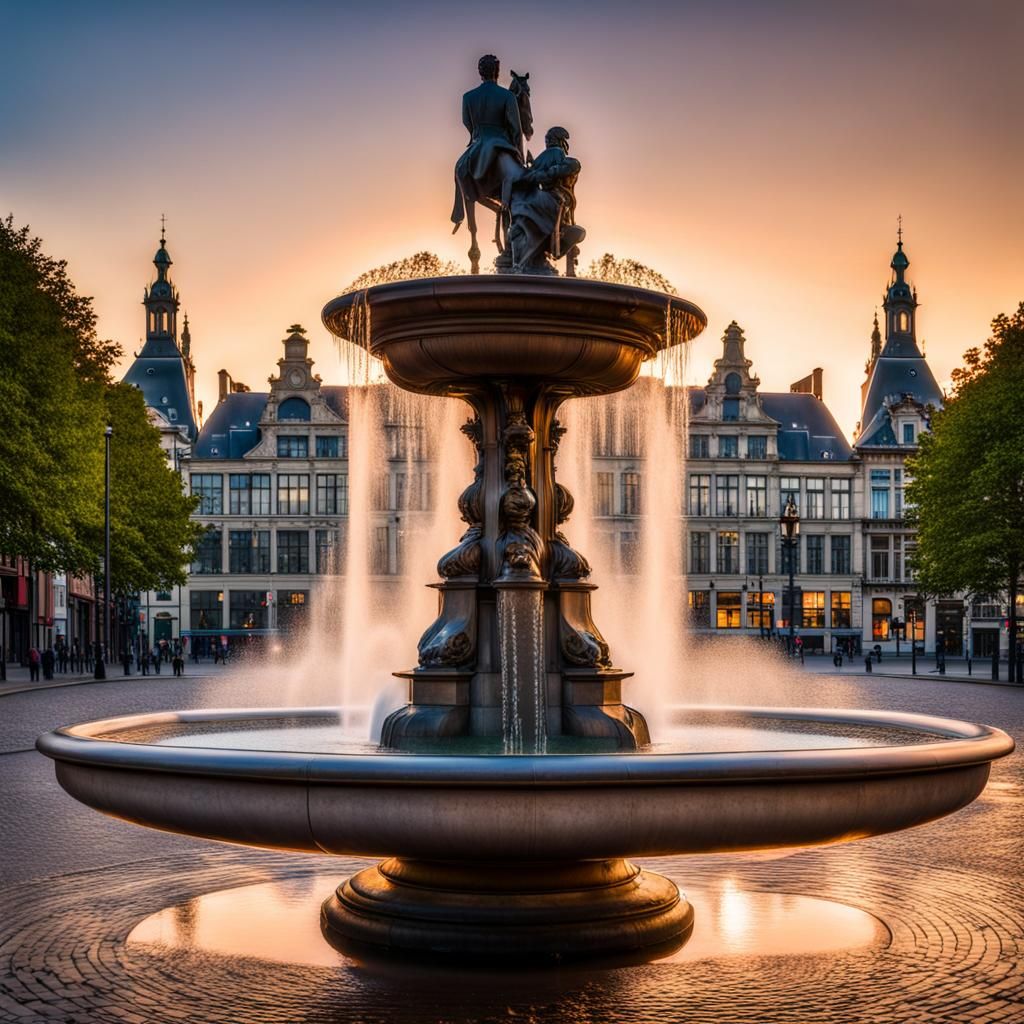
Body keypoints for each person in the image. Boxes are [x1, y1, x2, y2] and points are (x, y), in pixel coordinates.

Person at [507, 126, 585, 275]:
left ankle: (540, 252)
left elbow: (530, 174)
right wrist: (550, 173)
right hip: (557, 199)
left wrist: (537, 174)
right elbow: (558, 171)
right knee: (575, 232)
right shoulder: (559, 154)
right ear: (562, 141)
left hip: (549, 197)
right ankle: (552, 248)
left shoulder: (545, 156)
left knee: (573, 232)